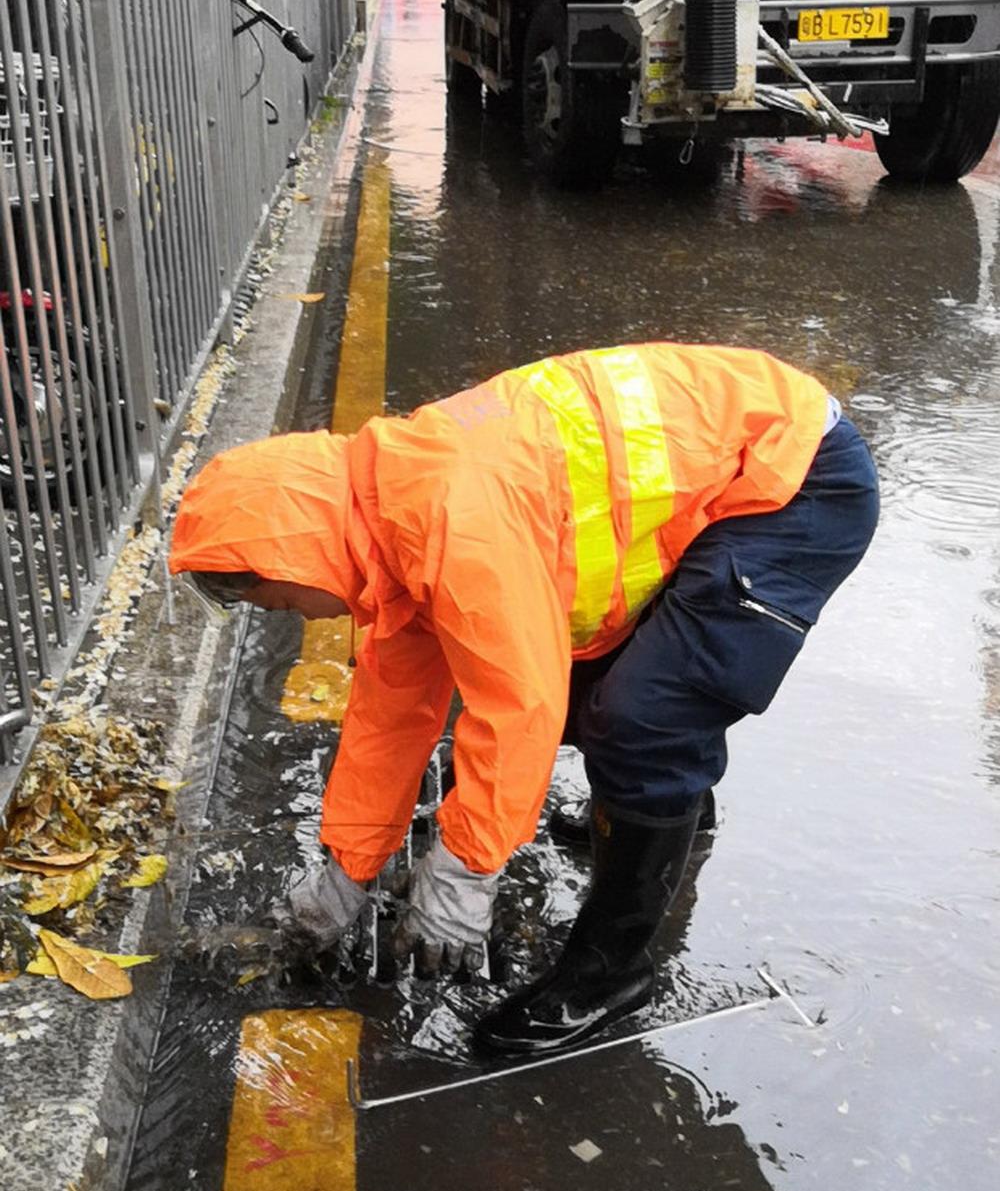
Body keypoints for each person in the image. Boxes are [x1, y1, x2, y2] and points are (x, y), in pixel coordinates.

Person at [169, 344, 879, 1059]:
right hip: (725, 474)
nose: (290, 614)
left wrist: (464, 871)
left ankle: (610, 974)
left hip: (795, 482)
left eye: (274, 600)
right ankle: (671, 817)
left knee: (639, 720)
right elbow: (391, 722)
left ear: (290, 556)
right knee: (593, 700)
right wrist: (343, 878)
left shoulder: (454, 520)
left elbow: (518, 706)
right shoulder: (390, 522)